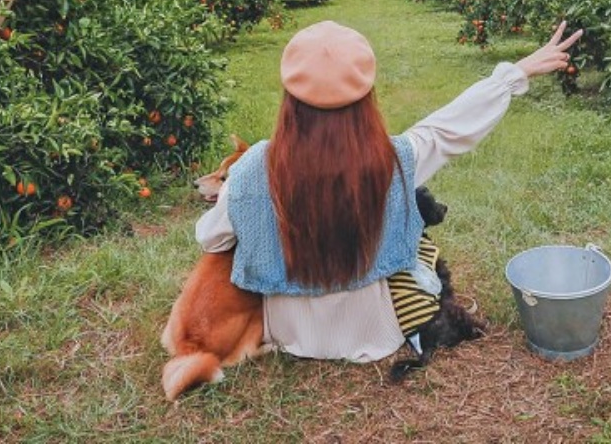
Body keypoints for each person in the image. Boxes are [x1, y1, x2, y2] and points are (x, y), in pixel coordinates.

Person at [195, 18, 583, 362]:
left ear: (289, 102)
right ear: (367, 97)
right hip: (375, 332)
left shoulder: (252, 168)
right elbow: (450, 128)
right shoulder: (393, 160)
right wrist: (515, 73)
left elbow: (211, 238)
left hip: (290, 336)